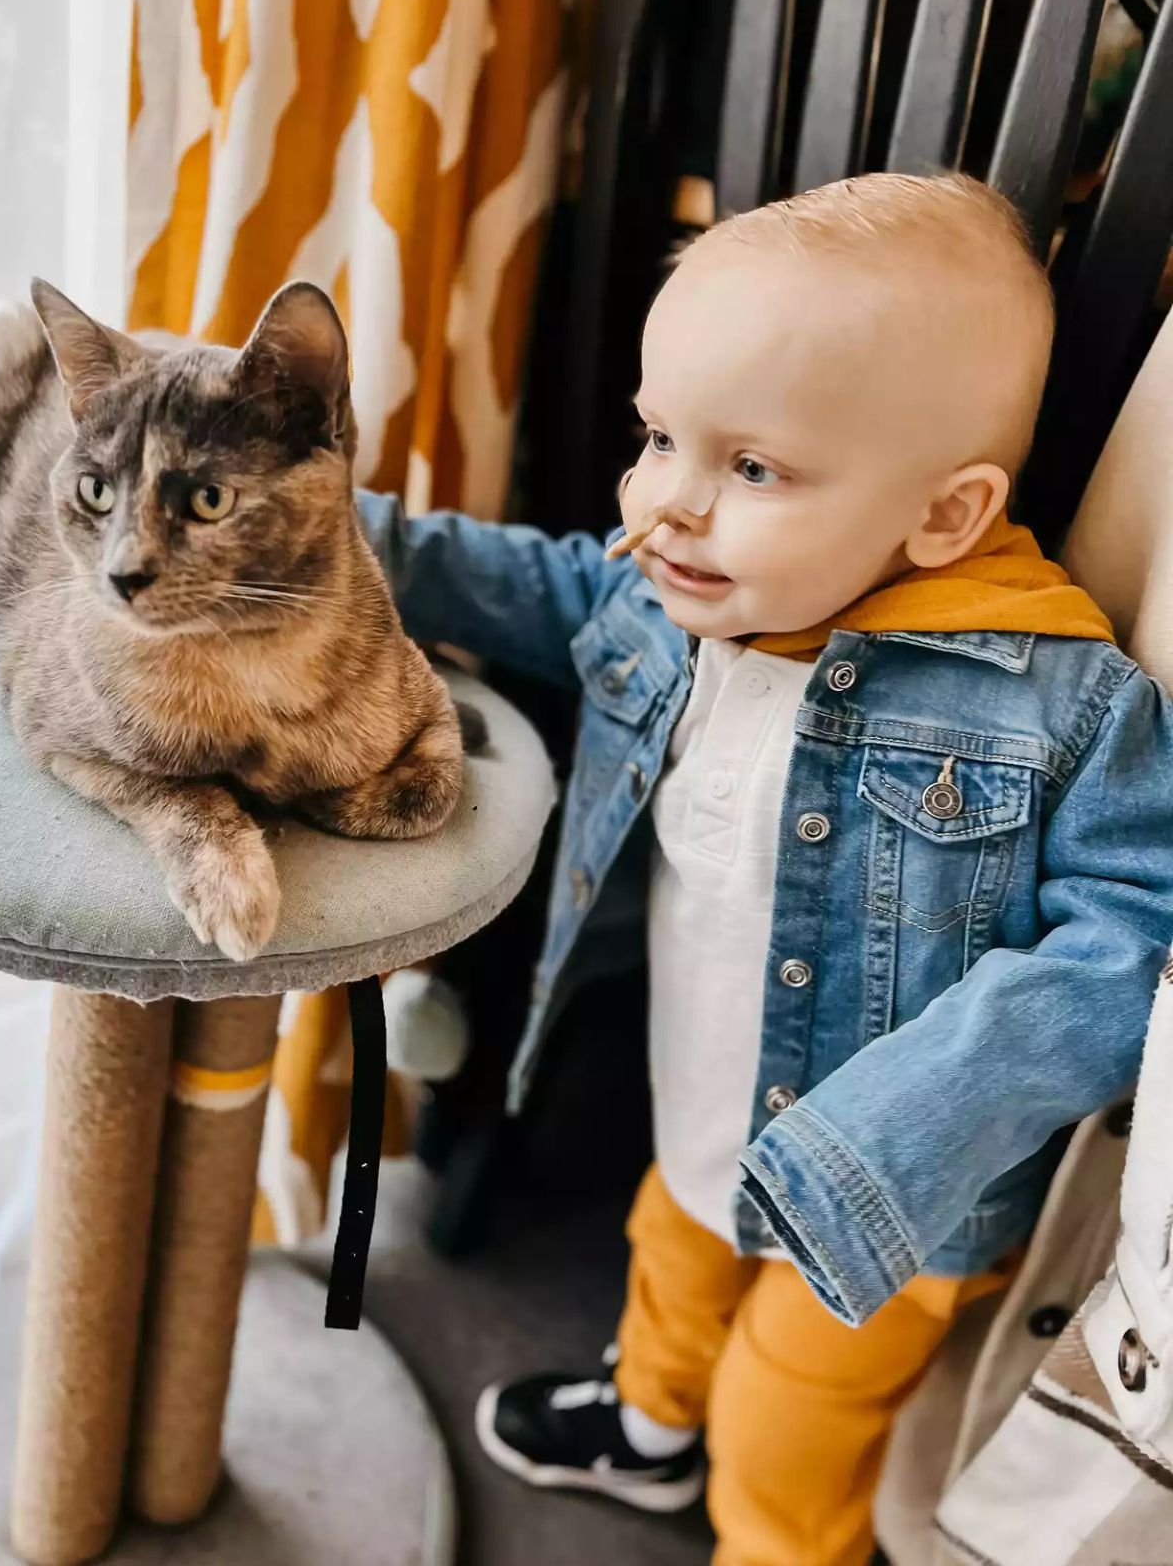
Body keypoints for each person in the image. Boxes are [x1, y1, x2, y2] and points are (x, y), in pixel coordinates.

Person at [356, 172, 1173, 1566]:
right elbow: (548, 585)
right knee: (669, 1257)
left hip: (891, 1199)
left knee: (787, 1421)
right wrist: (353, 542)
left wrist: (904, 1127)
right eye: (659, 436)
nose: (665, 504)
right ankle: (650, 1425)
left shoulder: (1056, 703)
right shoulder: (692, 594)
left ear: (942, 516)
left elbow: (1129, 940)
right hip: (699, 1104)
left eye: (750, 469)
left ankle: (773, 1542)